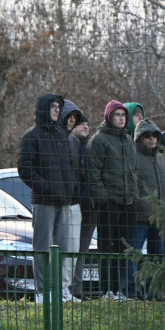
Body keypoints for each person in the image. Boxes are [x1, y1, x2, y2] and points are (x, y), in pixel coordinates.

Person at [17, 92, 82, 304]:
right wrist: (47, 188)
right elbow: (25, 170)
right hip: (43, 201)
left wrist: (70, 189)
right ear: (44, 108)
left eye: (58, 107)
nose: (57, 110)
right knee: (42, 247)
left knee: (63, 247)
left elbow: (73, 168)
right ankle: (42, 292)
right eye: (53, 106)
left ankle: (60, 289)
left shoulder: (64, 137)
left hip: (64, 202)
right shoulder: (31, 136)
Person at [86, 100, 141, 300]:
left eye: (123, 115)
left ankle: (117, 290)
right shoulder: (99, 140)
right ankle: (106, 290)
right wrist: (103, 199)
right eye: (117, 114)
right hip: (109, 202)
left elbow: (134, 172)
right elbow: (93, 172)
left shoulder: (128, 140)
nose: (121, 118)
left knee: (122, 247)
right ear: (109, 117)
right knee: (106, 245)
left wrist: (135, 197)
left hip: (128, 202)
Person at [132, 118, 165, 298]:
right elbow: (132, 183)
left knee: (158, 255)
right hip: (140, 216)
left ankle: (154, 291)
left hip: (161, 216)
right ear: (139, 138)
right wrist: (140, 203)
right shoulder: (133, 157)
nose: (151, 139)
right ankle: (132, 291)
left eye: (155, 136)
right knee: (134, 253)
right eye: (147, 136)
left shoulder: (161, 158)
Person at [59, 102, 95, 298]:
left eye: (87, 124)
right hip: (70, 203)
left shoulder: (92, 147)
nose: (85, 126)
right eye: (81, 123)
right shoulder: (66, 144)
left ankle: (76, 289)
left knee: (80, 250)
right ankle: (65, 288)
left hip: (89, 206)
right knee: (67, 247)